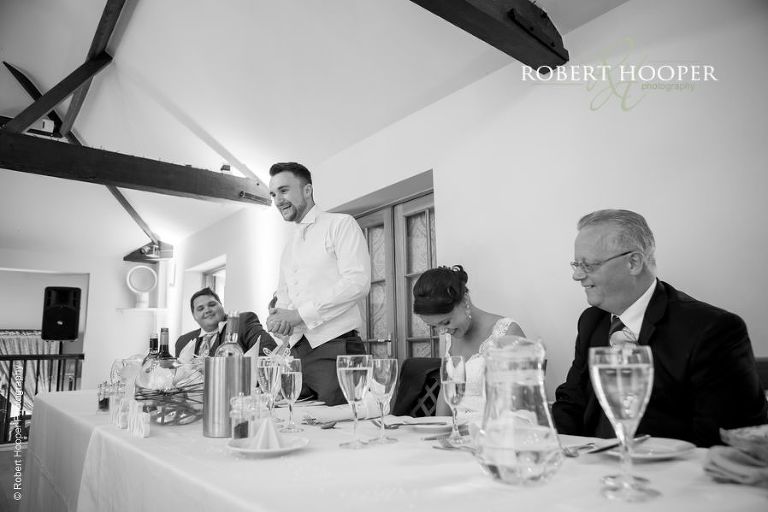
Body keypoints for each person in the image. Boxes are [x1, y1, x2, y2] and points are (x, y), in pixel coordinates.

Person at [552, 209, 767, 447]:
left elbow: (726, 438)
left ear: (633, 262)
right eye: (576, 264)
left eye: (588, 265)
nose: (577, 275)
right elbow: (572, 402)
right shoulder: (592, 321)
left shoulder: (712, 330)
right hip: (594, 470)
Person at [266, 162, 370, 406]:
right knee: (302, 426)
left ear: (307, 190)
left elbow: (357, 282)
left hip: (337, 347)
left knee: (344, 430)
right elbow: (284, 298)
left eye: (283, 190)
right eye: (273, 195)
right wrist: (278, 319)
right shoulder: (288, 247)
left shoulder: (340, 224)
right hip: (296, 354)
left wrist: (299, 315)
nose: (277, 200)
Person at [413, 265, 525, 417]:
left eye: (446, 322)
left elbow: (517, 406)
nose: (443, 331)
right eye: (434, 326)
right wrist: (441, 430)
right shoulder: (450, 338)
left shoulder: (507, 333)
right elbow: (446, 395)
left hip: (496, 432)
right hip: (458, 434)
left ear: (465, 300)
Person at [175, 287, 275, 361]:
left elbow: (270, 352)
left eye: (212, 304)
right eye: (200, 308)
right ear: (194, 315)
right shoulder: (183, 341)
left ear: (221, 306)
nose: (207, 310)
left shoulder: (243, 322)